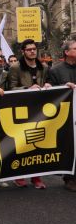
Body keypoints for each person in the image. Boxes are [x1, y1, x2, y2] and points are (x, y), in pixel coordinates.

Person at [7, 39, 50, 189]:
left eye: (34, 49)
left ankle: (36, 177)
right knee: (21, 143)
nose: (32, 51)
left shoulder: (43, 67)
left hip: (39, 110)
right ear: (23, 51)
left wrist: (48, 85)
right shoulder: (15, 68)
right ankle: (18, 176)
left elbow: (48, 82)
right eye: (29, 49)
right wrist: (27, 89)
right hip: (21, 109)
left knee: (37, 143)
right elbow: (10, 88)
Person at [48, 38, 76, 192]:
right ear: (67, 52)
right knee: (69, 146)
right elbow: (52, 93)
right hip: (66, 116)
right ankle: (70, 178)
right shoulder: (55, 71)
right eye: (75, 48)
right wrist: (63, 87)